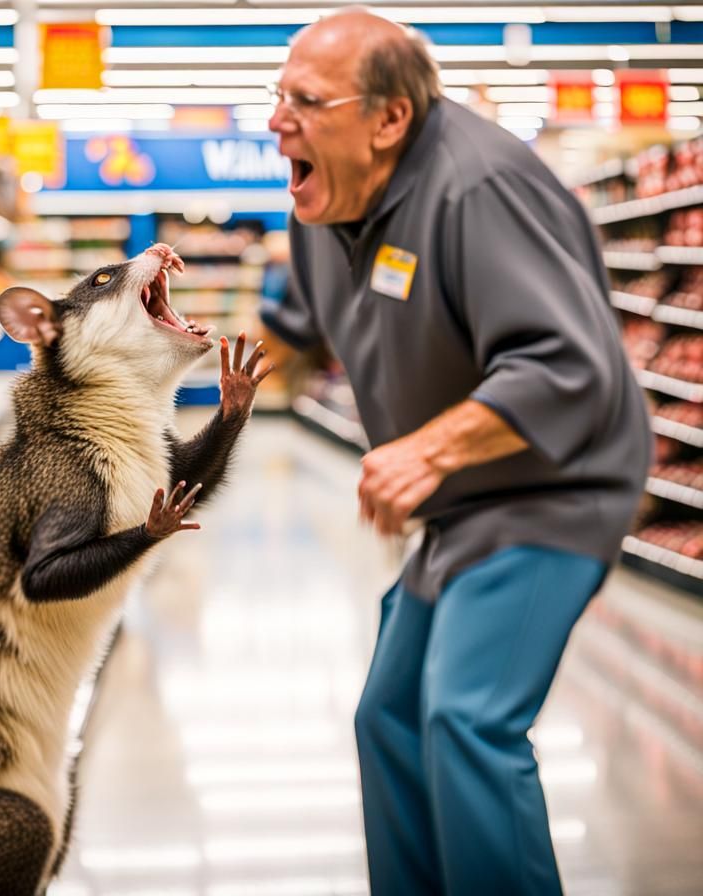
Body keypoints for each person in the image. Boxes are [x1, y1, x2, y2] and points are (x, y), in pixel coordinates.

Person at [260, 9, 650, 896]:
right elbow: (291, 330)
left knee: (466, 719)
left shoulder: (479, 189)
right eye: (278, 96)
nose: (279, 120)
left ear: (388, 118)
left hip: (554, 485)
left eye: (308, 101)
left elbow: (568, 365)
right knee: (389, 717)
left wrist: (428, 450)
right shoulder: (325, 201)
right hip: (462, 499)